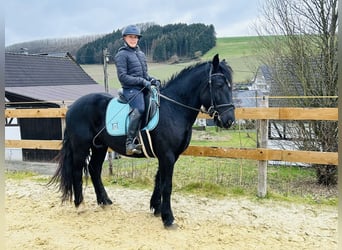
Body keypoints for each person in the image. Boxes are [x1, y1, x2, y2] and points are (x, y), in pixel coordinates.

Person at [114, 24, 160, 155]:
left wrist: (152, 80)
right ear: (125, 38)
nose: (133, 39)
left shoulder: (140, 53)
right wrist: (142, 81)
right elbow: (123, 77)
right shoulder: (121, 55)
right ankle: (129, 143)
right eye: (130, 37)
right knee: (139, 109)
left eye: (135, 37)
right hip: (130, 89)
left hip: (142, 87)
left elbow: (144, 75)